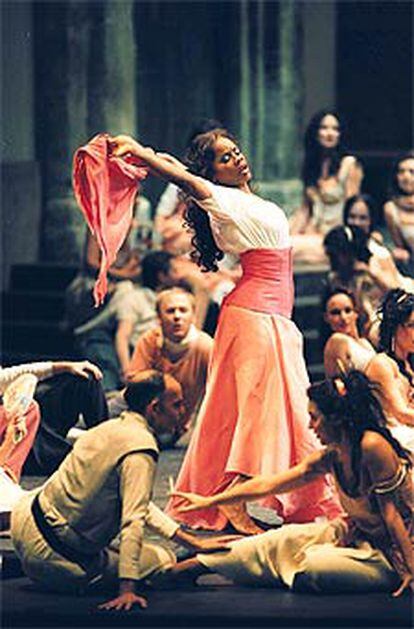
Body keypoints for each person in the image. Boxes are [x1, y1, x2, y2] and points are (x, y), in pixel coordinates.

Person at [109, 128, 341, 535]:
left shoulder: (247, 201)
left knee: (269, 411)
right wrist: (139, 151)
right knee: (257, 413)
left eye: (235, 152)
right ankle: (234, 502)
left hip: (267, 314)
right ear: (212, 172)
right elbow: (179, 174)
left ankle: (268, 496)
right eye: (224, 158)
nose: (237, 159)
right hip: (256, 315)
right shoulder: (218, 198)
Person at [171, 371, 413, 597]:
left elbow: (392, 516)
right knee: (283, 538)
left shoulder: (372, 446)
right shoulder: (331, 456)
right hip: (360, 536)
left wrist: (410, 569)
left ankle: (289, 568)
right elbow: (268, 485)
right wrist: (210, 501)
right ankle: (196, 565)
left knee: (314, 565)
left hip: (396, 550)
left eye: (315, 418)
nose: (310, 426)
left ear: (337, 419)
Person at [11, 371, 237, 612]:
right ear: (154, 408)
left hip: (24, 528)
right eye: (177, 404)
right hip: (55, 560)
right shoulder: (140, 447)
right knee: (161, 558)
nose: (183, 411)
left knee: (123, 547)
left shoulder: (107, 428)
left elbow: (136, 500)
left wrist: (189, 541)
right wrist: (127, 589)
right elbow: (134, 519)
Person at [126, 286, 213, 447]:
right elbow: (133, 381)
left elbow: (217, 392)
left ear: (193, 316)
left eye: (183, 310)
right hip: (141, 415)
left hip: (172, 424)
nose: (177, 316)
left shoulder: (206, 347)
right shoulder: (150, 339)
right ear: (159, 317)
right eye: (170, 311)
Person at [0, 360, 106, 482]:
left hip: (21, 417)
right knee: (84, 460)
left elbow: (6, 377)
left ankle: (108, 447)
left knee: (85, 379)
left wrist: (64, 367)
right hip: (16, 438)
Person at [290, 110, 363, 264]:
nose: (330, 133)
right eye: (324, 128)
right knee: (278, 246)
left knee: (291, 249)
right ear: (315, 133)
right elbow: (305, 210)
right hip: (312, 232)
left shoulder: (349, 165)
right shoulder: (311, 167)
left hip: (335, 235)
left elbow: (353, 207)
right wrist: (287, 234)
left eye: (335, 129)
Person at [114, 251, 179, 381]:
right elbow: (122, 336)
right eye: (174, 271)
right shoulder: (134, 298)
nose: (179, 275)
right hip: (143, 360)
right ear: (162, 276)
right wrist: (127, 370)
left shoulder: (177, 297)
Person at [323, 225, 401, 334]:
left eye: (345, 254)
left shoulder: (378, 258)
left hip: (388, 316)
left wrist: (370, 272)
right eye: (338, 255)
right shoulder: (335, 279)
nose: (342, 259)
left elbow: (397, 292)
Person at [364, 289, 414, 453]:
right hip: (395, 438)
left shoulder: (409, 363)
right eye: (412, 325)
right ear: (394, 327)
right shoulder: (382, 364)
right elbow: (400, 413)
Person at [343, 194, 414, 292]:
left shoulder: (379, 252)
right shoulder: (339, 244)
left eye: (363, 218)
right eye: (352, 217)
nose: (356, 223)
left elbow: (395, 289)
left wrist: (370, 272)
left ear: (371, 221)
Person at [322, 287, 376, 377]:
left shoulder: (365, 342)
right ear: (326, 317)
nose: (343, 317)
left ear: (356, 313)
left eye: (348, 310)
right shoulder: (337, 341)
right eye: (335, 312)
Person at [383, 151, 414, 268]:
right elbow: (400, 250)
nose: (406, 177)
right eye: (401, 172)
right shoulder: (391, 209)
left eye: (412, 172)